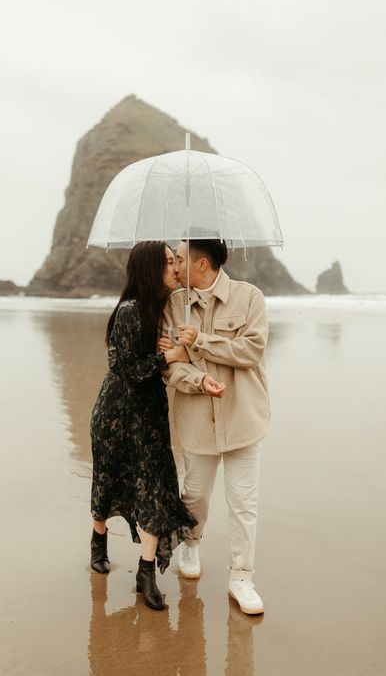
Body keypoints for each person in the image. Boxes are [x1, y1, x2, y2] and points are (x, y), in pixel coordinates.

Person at [89, 241, 220, 611]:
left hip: (148, 414)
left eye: (175, 261)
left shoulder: (168, 308)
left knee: (155, 489)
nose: (175, 268)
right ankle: (98, 540)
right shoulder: (129, 311)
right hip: (116, 414)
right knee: (109, 480)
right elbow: (126, 369)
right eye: (167, 262)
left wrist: (182, 349)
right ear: (149, 269)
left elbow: (173, 357)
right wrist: (169, 355)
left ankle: (145, 572)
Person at [160, 239, 270, 615]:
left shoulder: (249, 297)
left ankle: (242, 577)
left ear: (202, 263)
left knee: (244, 504)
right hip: (195, 417)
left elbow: (252, 350)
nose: (174, 265)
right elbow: (169, 364)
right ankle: (191, 543)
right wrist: (198, 379)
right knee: (194, 494)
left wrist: (200, 342)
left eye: (179, 258)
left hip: (243, 416)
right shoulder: (173, 305)